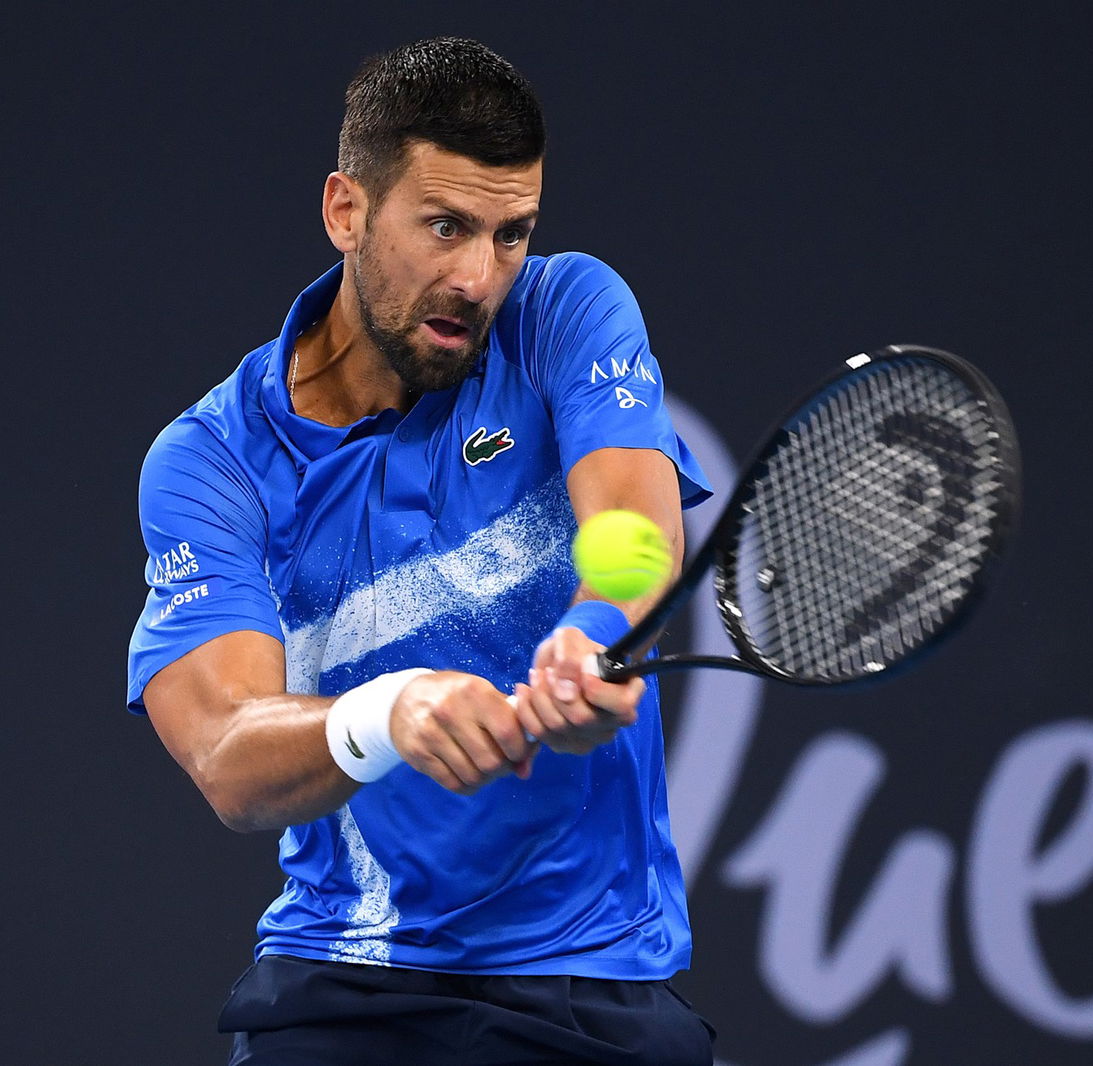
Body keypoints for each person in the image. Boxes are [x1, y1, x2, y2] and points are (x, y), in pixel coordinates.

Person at [127, 36, 715, 1065]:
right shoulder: (211, 461)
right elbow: (226, 758)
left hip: (591, 984)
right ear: (346, 210)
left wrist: (591, 632)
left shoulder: (564, 312)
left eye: (510, 233)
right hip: (346, 988)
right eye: (444, 227)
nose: (478, 276)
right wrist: (385, 714)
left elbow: (631, 524)